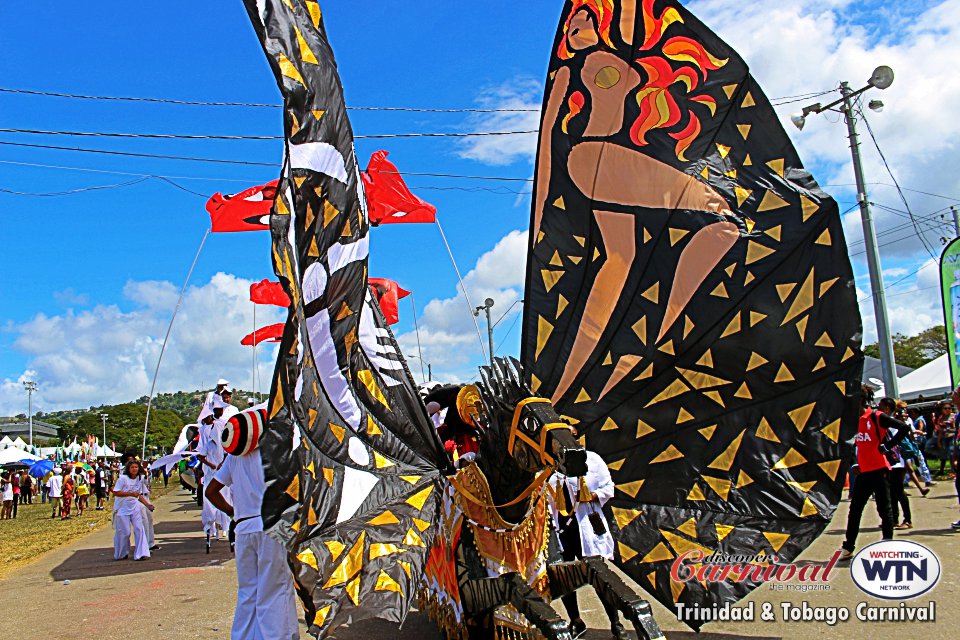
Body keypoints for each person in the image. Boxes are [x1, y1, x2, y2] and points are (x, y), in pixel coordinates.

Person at [205, 433, 299, 639]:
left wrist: (232, 512)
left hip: (243, 527)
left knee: (249, 590)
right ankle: (278, 636)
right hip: (271, 525)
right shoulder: (274, 452)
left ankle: (245, 636)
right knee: (275, 587)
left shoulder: (234, 456)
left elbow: (211, 491)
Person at [549, 428, 624, 639]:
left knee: (599, 576)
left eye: (570, 436)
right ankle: (575, 620)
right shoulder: (549, 466)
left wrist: (592, 495)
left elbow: (609, 488)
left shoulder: (593, 460)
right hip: (561, 529)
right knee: (563, 577)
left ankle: (615, 623)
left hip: (586, 527)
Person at [841, 390, 909, 560]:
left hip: (880, 471)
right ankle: (848, 547)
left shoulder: (876, 417)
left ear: (861, 400)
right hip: (864, 472)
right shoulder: (854, 420)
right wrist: (855, 463)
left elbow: (904, 428)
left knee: (884, 510)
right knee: (855, 509)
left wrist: (887, 446)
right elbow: (855, 445)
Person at [112, 459, 153, 561]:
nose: (134, 469)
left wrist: (148, 505)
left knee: (139, 529)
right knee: (125, 532)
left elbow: (138, 495)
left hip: (134, 507)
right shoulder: (123, 479)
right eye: (132, 467)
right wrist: (130, 494)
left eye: (136, 467)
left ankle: (141, 553)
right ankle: (122, 553)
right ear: (128, 469)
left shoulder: (139, 478)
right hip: (122, 509)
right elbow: (116, 492)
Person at [139, 463, 158, 550]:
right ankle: (145, 545)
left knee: (149, 519)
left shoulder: (142, 473)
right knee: (144, 521)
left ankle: (150, 542)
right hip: (139, 498)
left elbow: (146, 483)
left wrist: (145, 473)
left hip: (145, 496)